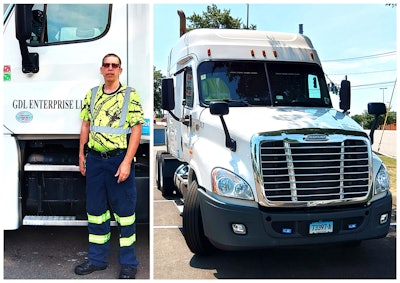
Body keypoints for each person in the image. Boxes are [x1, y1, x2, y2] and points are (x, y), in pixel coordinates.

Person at [75, 53, 144, 279]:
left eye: (115, 65)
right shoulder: (92, 95)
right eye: (107, 65)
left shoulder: (130, 95)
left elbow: (136, 130)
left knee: (125, 215)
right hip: (94, 161)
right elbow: (86, 125)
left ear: (120, 70)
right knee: (96, 213)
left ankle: (128, 264)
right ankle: (97, 260)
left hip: (118, 161)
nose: (110, 69)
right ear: (101, 69)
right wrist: (81, 155)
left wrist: (126, 162)